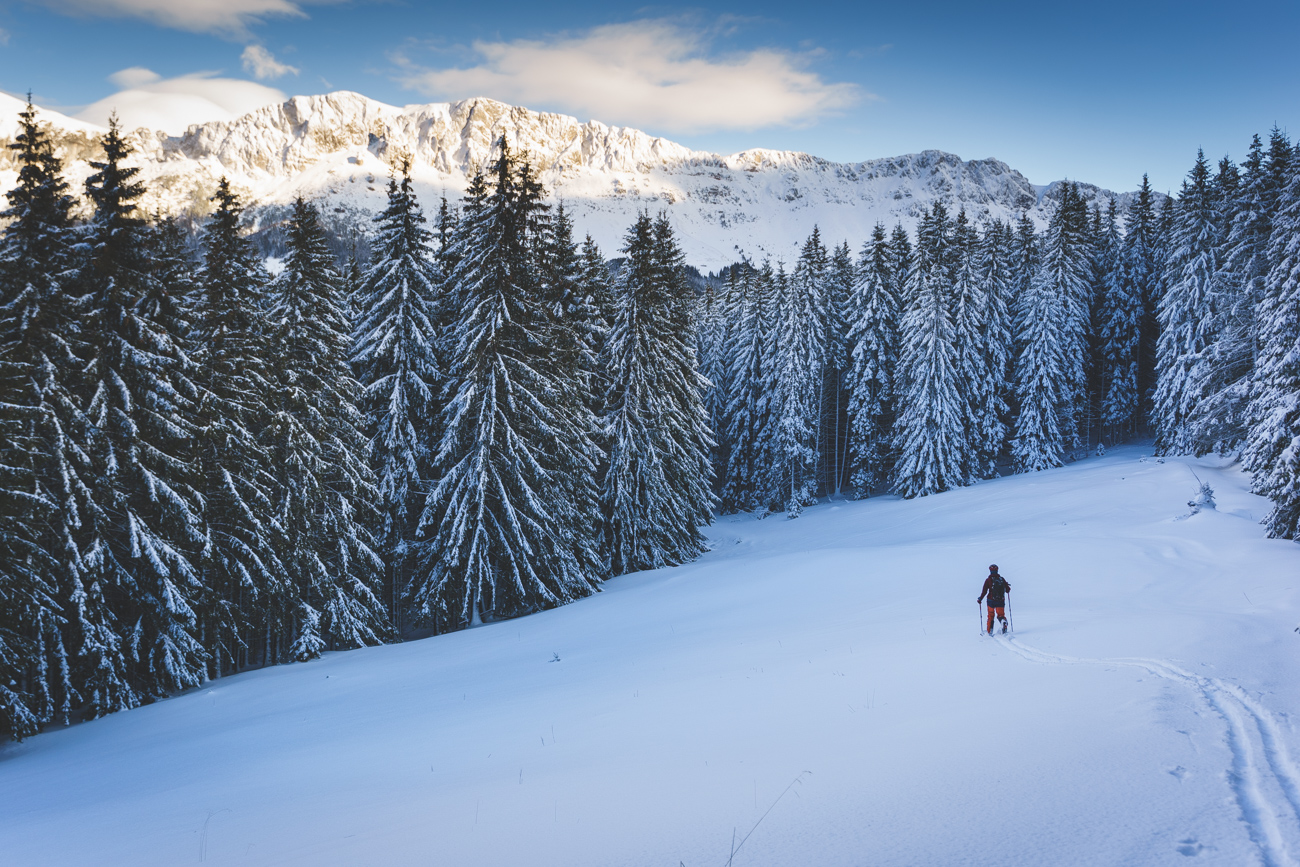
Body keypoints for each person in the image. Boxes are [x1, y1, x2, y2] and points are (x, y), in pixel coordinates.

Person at [977, 565, 1011, 635]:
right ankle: (1003, 622)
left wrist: (980, 599)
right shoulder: (1002, 579)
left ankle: (989, 632)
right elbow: (1008, 590)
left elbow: (984, 591)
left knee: (991, 616)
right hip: (1000, 601)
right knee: (1000, 615)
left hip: (990, 601)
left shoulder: (988, 580)